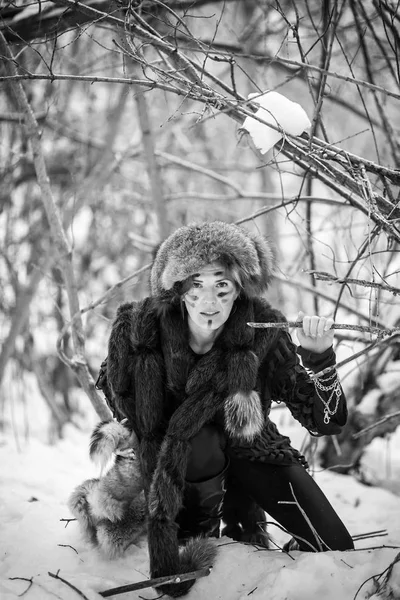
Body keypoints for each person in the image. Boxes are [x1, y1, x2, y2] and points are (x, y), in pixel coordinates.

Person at [105, 221, 354, 597]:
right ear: (178, 290)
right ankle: (202, 528)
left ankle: (273, 566)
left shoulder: (263, 331)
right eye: (197, 287)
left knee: (334, 544)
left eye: (222, 287)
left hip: (252, 449)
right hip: (183, 460)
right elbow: (116, 393)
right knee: (199, 435)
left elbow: (326, 421)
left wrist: (320, 359)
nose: (209, 302)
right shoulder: (142, 330)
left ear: (238, 290)